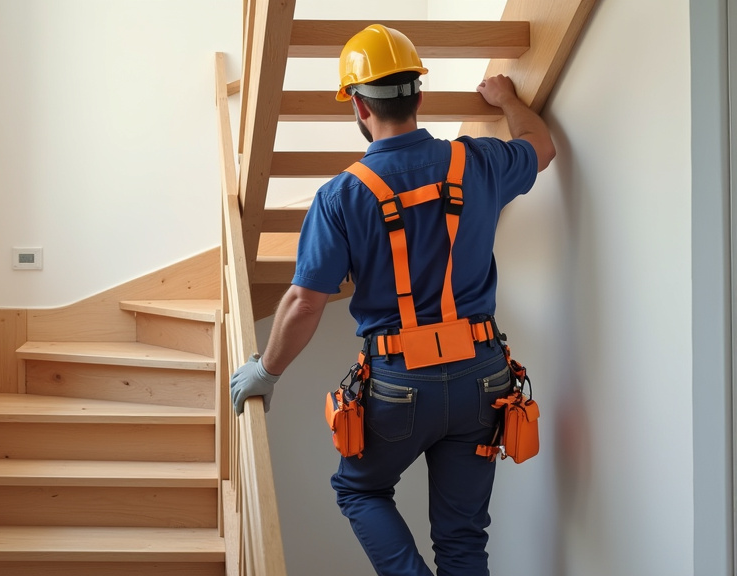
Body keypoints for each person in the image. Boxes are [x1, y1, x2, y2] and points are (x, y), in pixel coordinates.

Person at [229, 24, 555, 576]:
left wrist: (267, 369)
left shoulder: (341, 196)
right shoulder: (475, 162)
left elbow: (305, 302)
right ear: (419, 95)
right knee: (463, 539)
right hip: (483, 377)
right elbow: (541, 147)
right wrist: (507, 100)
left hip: (402, 383)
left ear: (358, 106)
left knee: (359, 491)